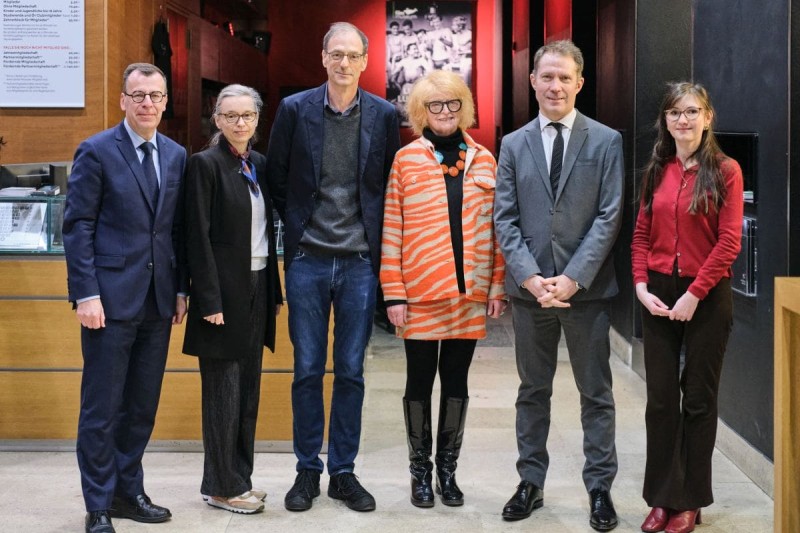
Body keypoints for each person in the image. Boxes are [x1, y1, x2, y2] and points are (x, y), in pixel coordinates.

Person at [265, 21, 401, 513]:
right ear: (323, 58)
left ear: (365, 62)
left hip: (360, 263)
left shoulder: (384, 115)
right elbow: (276, 177)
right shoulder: (296, 110)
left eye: (352, 55)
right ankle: (307, 471)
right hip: (307, 259)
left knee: (350, 371)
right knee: (305, 370)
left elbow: (386, 183)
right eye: (335, 54)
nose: (344, 63)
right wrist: (300, 229)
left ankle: (343, 472)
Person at [493, 40, 624, 531]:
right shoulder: (512, 143)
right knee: (532, 391)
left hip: (586, 291)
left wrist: (571, 278)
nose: (555, 86)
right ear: (532, 81)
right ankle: (531, 482)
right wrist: (530, 276)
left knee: (596, 393)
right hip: (530, 293)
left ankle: (599, 489)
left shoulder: (606, 141)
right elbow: (504, 218)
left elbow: (609, 216)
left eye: (565, 78)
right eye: (547, 76)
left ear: (580, 83)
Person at [63, 63, 188, 533]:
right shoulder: (96, 151)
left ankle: (127, 492)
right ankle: (97, 504)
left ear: (164, 101)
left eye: (155, 96)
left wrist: (180, 289)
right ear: (122, 100)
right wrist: (86, 294)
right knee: (102, 407)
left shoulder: (176, 155)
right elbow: (78, 227)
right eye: (138, 95)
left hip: (157, 303)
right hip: (108, 304)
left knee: (140, 406)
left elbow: (175, 229)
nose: (147, 104)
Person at [380, 70, 507, 508]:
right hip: (419, 293)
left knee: (456, 382)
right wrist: (393, 292)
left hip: (469, 293)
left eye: (453, 104)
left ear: (464, 108)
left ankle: (447, 473)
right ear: (421, 112)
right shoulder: (406, 159)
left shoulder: (486, 159)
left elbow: (497, 231)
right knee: (419, 381)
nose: (445, 113)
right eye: (435, 105)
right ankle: (419, 474)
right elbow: (392, 229)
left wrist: (496, 286)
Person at [632, 82, 743, 533]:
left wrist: (694, 294)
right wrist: (640, 286)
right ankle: (662, 497)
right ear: (666, 120)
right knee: (660, 400)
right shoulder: (656, 169)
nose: (683, 120)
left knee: (698, 400)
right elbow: (640, 235)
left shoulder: (726, 170)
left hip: (708, 294)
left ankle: (691, 501)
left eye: (692, 111)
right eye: (675, 112)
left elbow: (729, 241)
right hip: (657, 291)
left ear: (708, 117)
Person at [182, 84, 283, 515]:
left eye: (248, 116)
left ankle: (238, 478)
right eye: (231, 116)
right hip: (222, 293)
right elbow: (196, 237)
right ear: (216, 120)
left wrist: (274, 292)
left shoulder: (257, 164)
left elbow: (264, 234)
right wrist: (208, 299)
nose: (240, 123)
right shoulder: (204, 165)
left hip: (259, 284)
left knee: (248, 389)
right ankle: (221, 484)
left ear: (258, 121)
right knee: (223, 391)